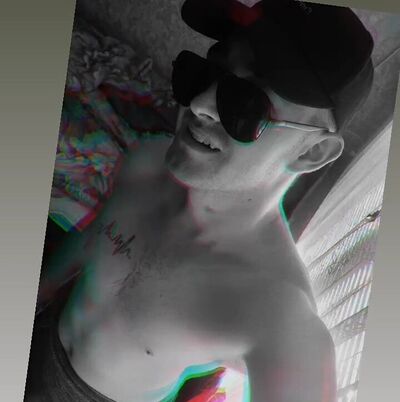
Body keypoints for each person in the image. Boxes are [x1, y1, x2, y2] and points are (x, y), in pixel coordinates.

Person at [24, 1, 374, 401]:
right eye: (206, 73)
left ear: (311, 153)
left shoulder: (275, 312)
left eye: (244, 103)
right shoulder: (148, 161)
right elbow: (94, 239)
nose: (199, 104)